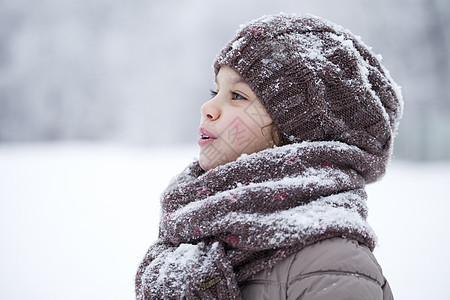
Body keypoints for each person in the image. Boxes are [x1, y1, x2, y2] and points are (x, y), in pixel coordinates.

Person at [135, 13, 403, 299]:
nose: (208, 107)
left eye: (237, 96)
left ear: (300, 132)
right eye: (216, 90)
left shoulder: (332, 264)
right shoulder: (195, 231)